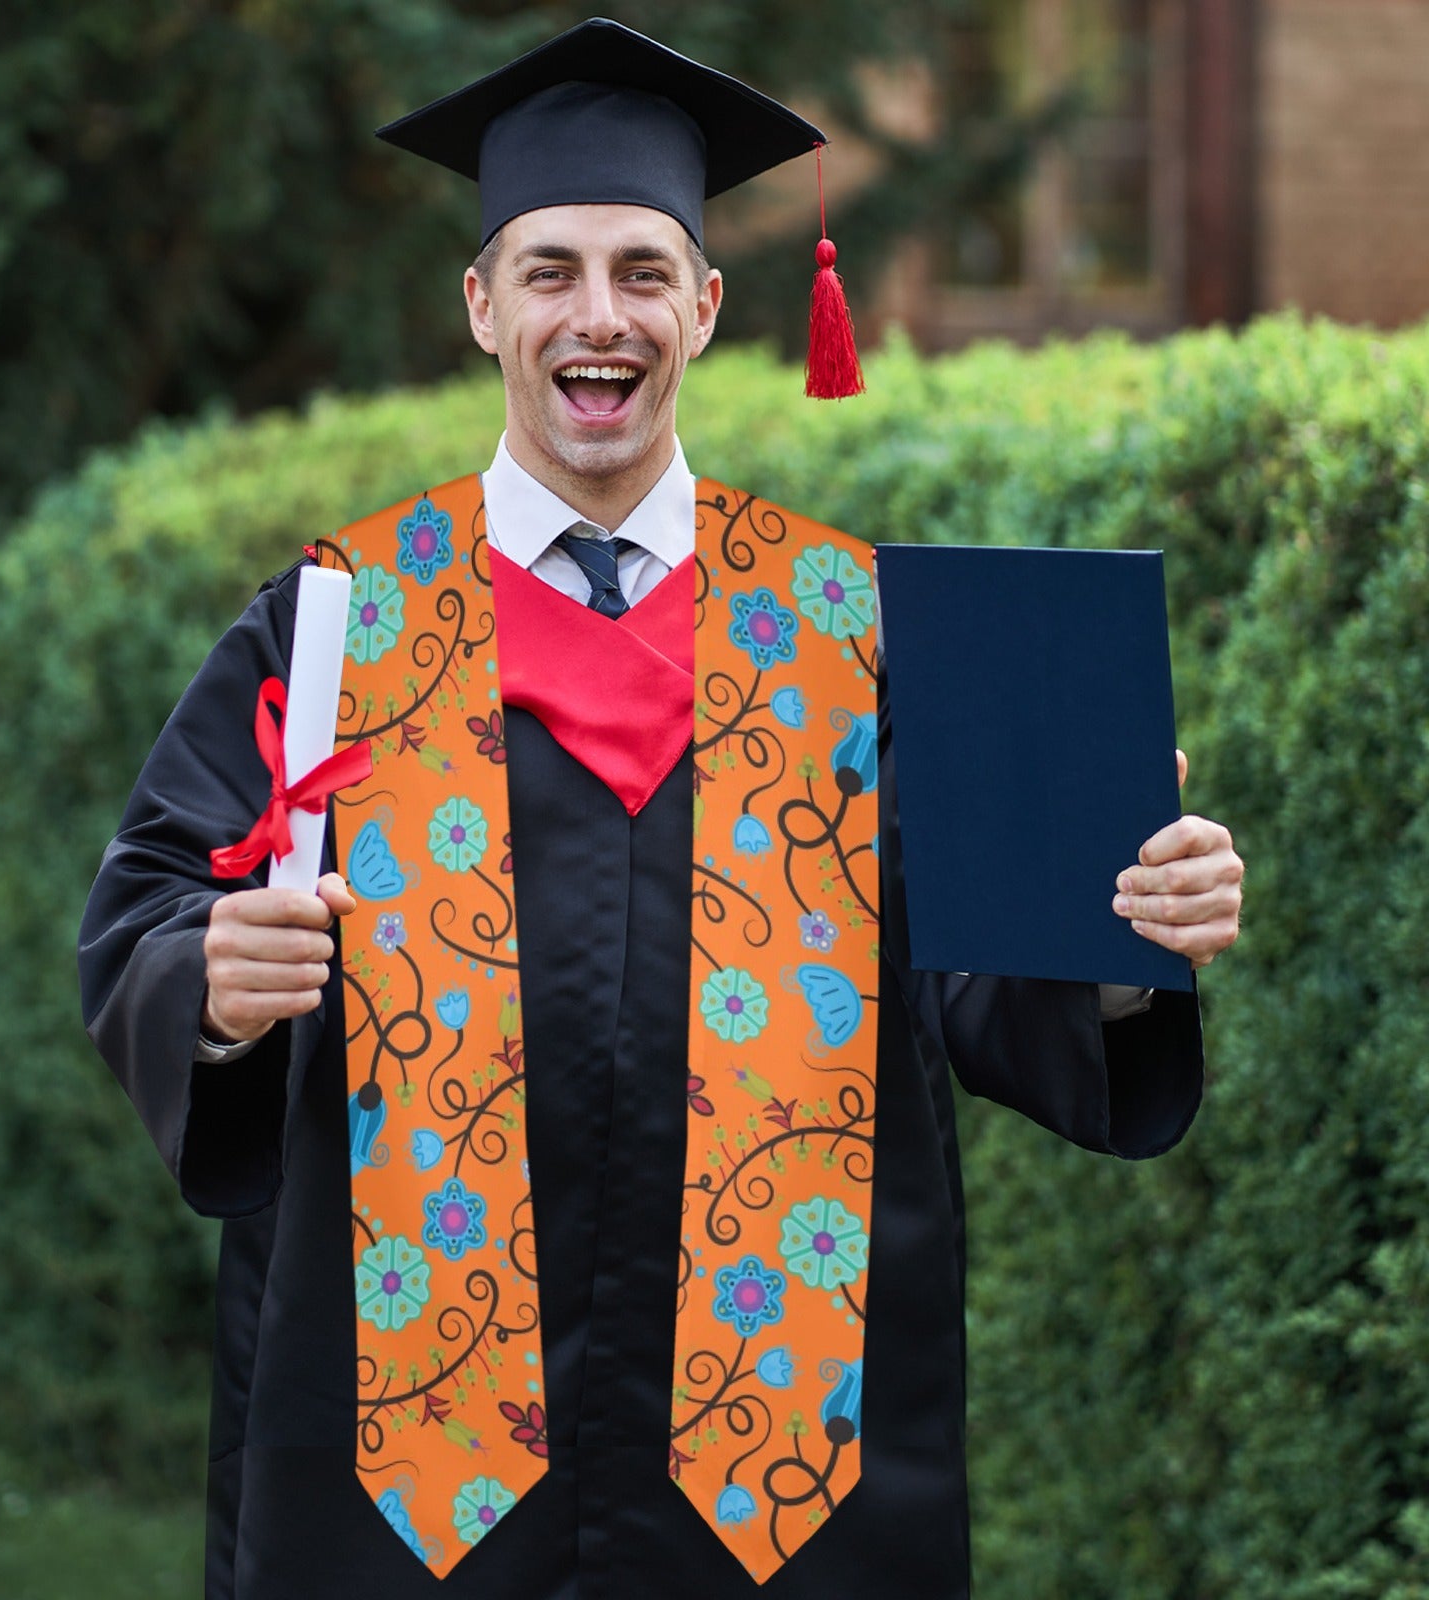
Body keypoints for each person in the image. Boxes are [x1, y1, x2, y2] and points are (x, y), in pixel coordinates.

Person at [79, 19, 1243, 1600]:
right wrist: (208, 983)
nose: (597, 316)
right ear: (483, 304)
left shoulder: (860, 629)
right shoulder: (340, 622)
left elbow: (981, 976)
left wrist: (1121, 936)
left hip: (785, 1463)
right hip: (413, 1467)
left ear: (705, 305)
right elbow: (152, 902)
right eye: (550, 270)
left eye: (641, 271)